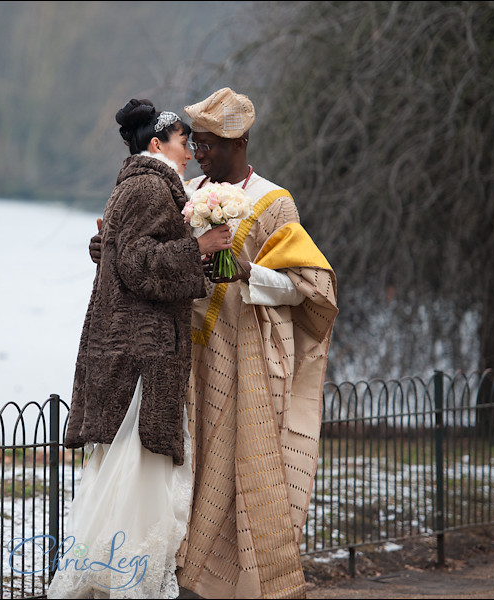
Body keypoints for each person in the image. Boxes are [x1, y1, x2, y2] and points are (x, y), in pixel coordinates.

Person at [89, 88, 339, 599]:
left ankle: (234, 586)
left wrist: (250, 271)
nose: (199, 153)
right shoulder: (184, 188)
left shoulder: (274, 202)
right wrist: (110, 249)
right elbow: (148, 256)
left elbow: (308, 287)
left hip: (244, 359)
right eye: (195, 143)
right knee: (185, 474)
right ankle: (178, 580)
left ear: (240, 141)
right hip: (181, 358)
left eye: (209, 144)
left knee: (236, 475)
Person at [47, 98, 234, 599]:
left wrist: (109, 249)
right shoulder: (152, 186)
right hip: (142, 357)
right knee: (138, 471)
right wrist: (200, 247)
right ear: (157, 145)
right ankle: (129, 583)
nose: (191, 153)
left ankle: (114, 577)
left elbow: (120, 252)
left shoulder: (137, 184)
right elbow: (136, 261)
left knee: (126, 470)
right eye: (182, 142)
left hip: (129, 351)